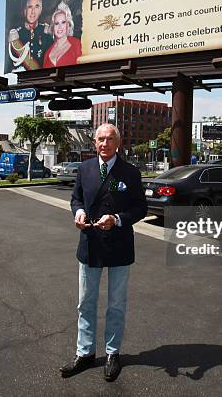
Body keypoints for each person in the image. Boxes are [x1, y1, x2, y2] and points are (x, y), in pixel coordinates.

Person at [60, 124, 147, 382]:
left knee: (116, 304)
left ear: (118, 142)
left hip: (119, 244)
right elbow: (76, 198)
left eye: (110, 139)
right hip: (90, 242)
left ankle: (112, 353)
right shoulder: (84, 169)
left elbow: (140, 208)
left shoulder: (130, 172)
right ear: (94, 142)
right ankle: (84, 353)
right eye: (100, 139)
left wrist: (118, 218)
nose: (104, 143)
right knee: (85, 303)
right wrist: (78, 212)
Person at [7, 0, 53, 71]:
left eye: (36, 7)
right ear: (25, 10)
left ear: (41, 9)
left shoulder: (46, 32)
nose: (33, 12)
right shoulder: (16, 34)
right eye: (30, 7)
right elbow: (10, 65)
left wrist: (48, 36)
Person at [43, 2, 82, 68]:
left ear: (68, 25)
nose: (60, 27)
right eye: (56, 23)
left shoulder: (77, 44)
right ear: (53, 27)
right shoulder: (47, 53)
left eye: (63, 22)